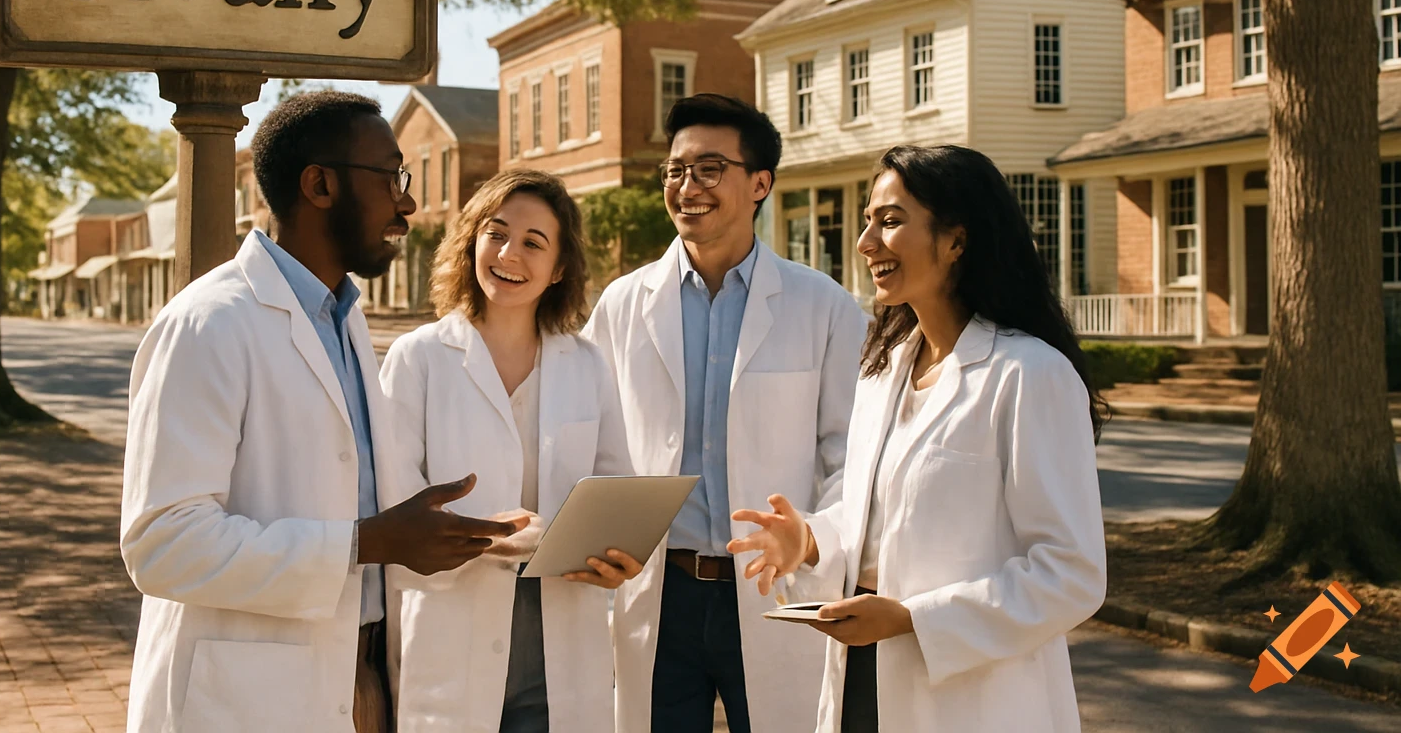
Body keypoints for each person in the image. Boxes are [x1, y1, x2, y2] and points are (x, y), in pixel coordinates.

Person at [120, 91, 525, 733]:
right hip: (243, 699)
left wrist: (452, 533)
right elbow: (163, 543)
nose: (407, 202)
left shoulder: (346, 321)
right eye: (391, 176)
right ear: (320, 185)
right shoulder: (209, 323)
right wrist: (369, 542)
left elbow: (345, 492)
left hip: (353, 680)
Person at [729, 144, 1108, 733]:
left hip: (974, 696)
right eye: (867, 222)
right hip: (862, 677)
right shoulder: (884, 370)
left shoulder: (1029, 374)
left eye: (891, 220)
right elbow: (872, 527)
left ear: (957, 240)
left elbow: (1071, 574)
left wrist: (912, 619)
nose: (865, 243)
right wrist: (808, 542)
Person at [584, 93, 866, 733]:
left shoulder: (824, 307)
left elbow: (852, 455)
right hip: (659, 590)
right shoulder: (622, 305)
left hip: (775, 587)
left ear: (760, 182)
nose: (688, 187)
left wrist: (815, 539)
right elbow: (592, 442)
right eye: (676, 171)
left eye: (711, 169)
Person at [375, 170, 640, 733]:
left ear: (560, 268)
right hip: (453, 629)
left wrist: (616, 557)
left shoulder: (588, 365)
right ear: (471, 241)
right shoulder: (418, 358)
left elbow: (615, 489)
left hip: (563, 634)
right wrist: (481, 534)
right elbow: (391, 505)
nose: (508, 254)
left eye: (532, 243)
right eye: (495, 234)